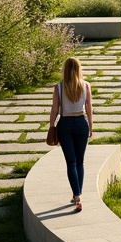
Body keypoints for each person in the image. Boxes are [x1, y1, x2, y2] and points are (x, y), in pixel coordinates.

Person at [47, 57, 93, 211]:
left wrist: (52, 126)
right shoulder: (86, 86)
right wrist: (91, 127)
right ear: (79, 69)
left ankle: (77, 195)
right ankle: (78, 195)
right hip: (81, 123)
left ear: (64, 69)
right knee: (80, 162)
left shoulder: (59, 87)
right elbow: (89, 108)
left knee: (71, 163)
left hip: (65, 124)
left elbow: (55, 109)